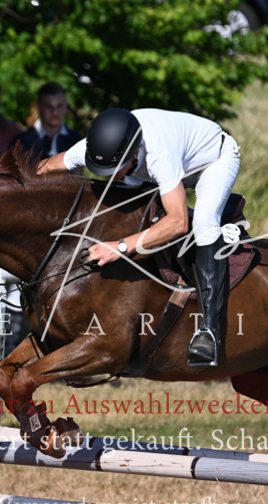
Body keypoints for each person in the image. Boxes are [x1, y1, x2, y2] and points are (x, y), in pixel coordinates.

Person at [39, 107, 241, 367]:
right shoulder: (96, 146)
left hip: (214, 161)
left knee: (203, 223)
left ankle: (209, 333)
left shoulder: (159, 155)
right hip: (165, 166)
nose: (108, 175)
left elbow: (178, 222)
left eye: (114, 169)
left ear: (134, 153)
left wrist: (121, 246)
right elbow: (44, 169)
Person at [11, 82, 83, 162]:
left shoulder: (76, 140)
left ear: (66, 106)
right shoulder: (21, 143)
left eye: (59, 106)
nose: (55, 112)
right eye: (49, 107)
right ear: (38, 107)